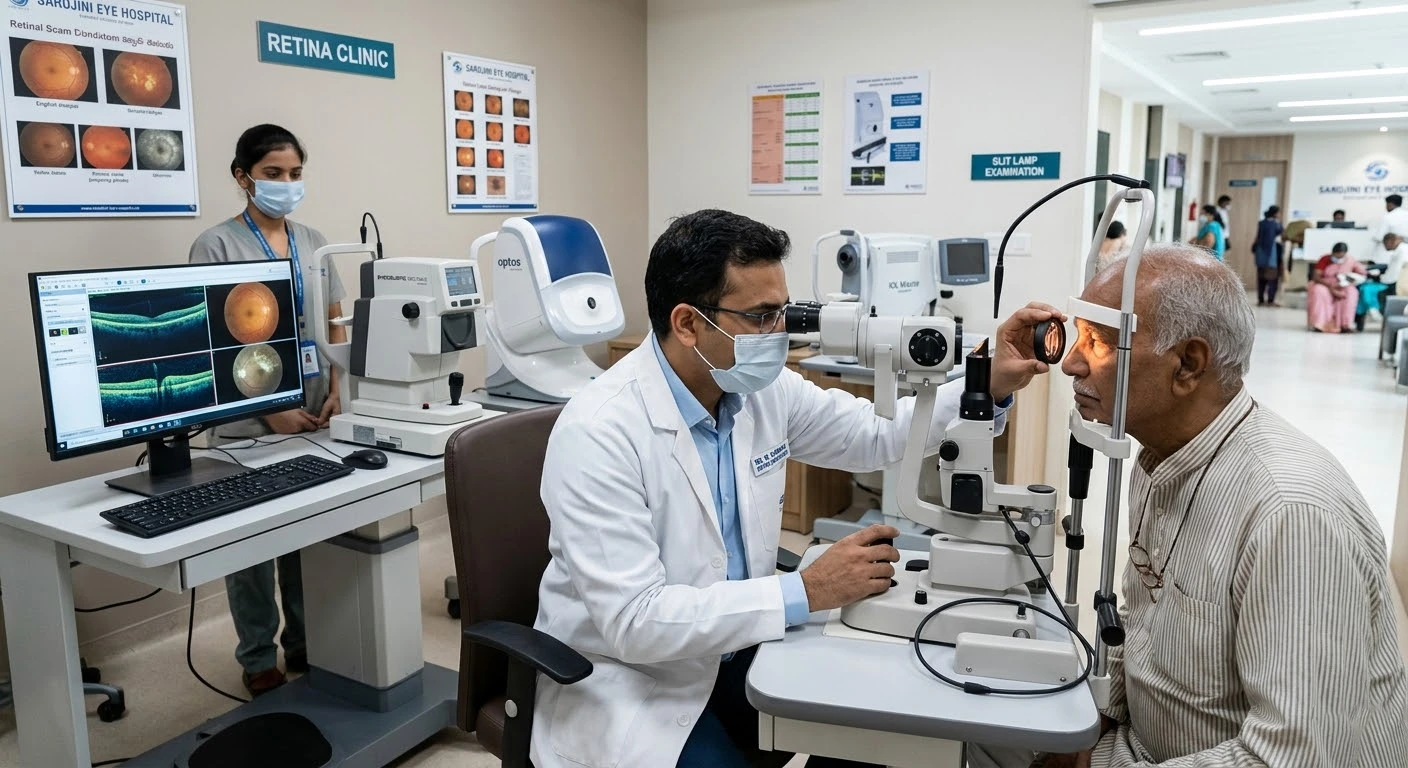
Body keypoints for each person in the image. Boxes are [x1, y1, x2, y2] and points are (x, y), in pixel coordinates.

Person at [529, 209, 1062, 768]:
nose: (780, 332)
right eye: (761, 317)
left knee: (875, 722)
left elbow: (875, 434)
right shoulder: (600, 431)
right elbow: (636, 623)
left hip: (735, 647)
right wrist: (805, 590)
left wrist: (990, 375)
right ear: (688, 323)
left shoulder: (760, 390)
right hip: (631, 680)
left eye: (784, 311)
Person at [1044, 244, 1408, 767]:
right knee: (979, 725)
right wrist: (1091, 724)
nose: (1072, 363)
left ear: (1188, 365)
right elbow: (1137, 627)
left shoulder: (1291, 517)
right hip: (1143, 745)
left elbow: (1292, 756)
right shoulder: (1159, 454)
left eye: (1099, 343)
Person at [188, 124, 348, 696]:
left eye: (295, 174)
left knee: (307, 530)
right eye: (274, 174)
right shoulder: (216, 246)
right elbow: (220, 339)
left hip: (314, 406)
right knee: (251, 544)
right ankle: (258, 656)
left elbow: (333, 318)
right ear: (243, 177)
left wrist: (336, 383)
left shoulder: (314, 240)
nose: (286, 184)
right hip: (246, 415)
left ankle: (306, 642)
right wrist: (272, 410)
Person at [1305, 242, 1366, 333]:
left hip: (1342, 284)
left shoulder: (1350, 260)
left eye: (1340, 257)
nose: (1338, 259)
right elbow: (1316, 277)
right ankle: (1319, 324)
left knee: (1352, 293)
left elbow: (1361, 273)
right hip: (1325, 284)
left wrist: (1347, 281)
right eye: (1336, 256)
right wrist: (1330, 287)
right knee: (1319, 291)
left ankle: (1345, 325)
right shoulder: (1325, 259)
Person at [1251, 205, 1284, 306]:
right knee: (1272, 279)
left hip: (1260, 254)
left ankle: (1260, 300)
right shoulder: (1276, 224)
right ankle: (1270, 300)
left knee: (1261, 278)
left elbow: (1257, 237)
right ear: (1275, 213)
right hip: (1271, 256)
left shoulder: (1261, 223)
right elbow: (1283, 235)